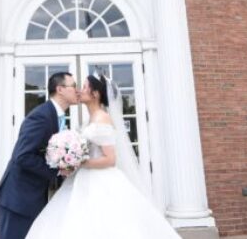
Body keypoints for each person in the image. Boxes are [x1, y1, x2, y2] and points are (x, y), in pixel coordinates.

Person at [26, 72, 182, 239]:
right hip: (81, 179)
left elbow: (110, 159)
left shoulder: (103, 118)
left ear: (96, 94)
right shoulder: (91, 119)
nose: (80, 90)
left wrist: (79, 161)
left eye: (85, 87)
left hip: (99, 181)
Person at [0, 71, 80, 239]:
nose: (76, 90)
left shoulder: (58, 117)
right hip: (18, 199)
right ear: (60, 89)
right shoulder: (41, 116)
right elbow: (23, 156)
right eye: (73, 86)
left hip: (33, 198)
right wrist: (57, 172)